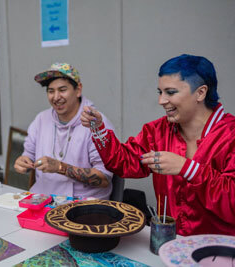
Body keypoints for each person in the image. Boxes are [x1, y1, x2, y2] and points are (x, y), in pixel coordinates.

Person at [81, 54, 235, 236]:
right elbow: (124, 163)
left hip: (219, 251)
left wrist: (187, 168)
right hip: (169, 244)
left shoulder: (230, 135)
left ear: (200, 93)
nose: (161, 101)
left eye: (170, 92)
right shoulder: (158, 131)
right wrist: (99, 129)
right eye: (160, 92)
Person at [14, 63, 115, 199]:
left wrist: (60, 167)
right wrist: (23, 162)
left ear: (78, 89)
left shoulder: (96, 124)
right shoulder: (41, 119)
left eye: (62, 90)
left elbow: (104, 178)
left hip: (82, 204)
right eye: (51, 91)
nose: (56, 97)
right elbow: (28, 154)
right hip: (42, 199)